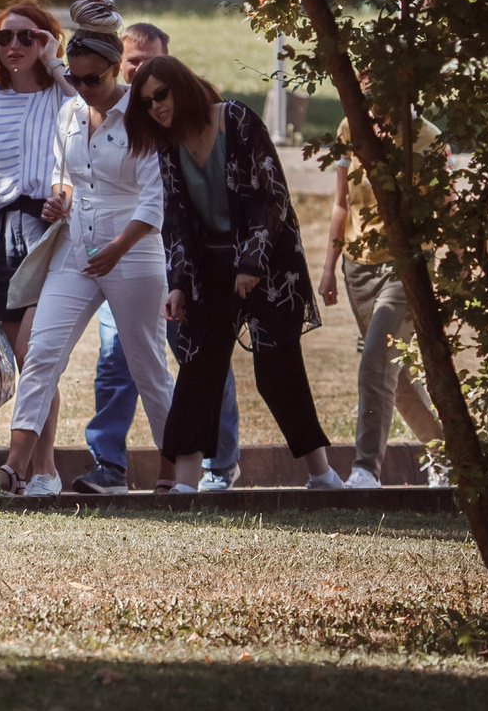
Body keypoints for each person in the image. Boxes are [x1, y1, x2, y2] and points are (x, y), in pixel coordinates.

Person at [129, 54, 343, 492]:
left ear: (182, 86)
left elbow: (272, 198)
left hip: (266, 265)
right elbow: (177, 220)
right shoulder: (168, 145)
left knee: (277, 373)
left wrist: (250, 264)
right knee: (197, 373)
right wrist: (178, 284)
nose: (157, 108)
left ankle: (324, 476)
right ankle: (186, 487)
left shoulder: (236, 120)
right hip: (208, 266)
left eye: (161, 95)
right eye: (147, 103)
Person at [0, 0, 178, 496]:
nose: (80, 88)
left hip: (133, 253)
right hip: (76, 251)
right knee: (40, 352)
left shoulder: (140, 118)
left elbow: (154, 201)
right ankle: (17, 466)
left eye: (91, 79)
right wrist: (60, 203)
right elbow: (66, 180)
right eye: (73, 79)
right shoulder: (71, 113)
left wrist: (118, 249)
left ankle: (172, 472)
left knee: (147, 365)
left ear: (116, 69)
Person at [72, 20, 242, 493]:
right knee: (115, 358)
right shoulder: (123, 116)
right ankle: (109, 465)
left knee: (203, 360)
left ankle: (217, 465)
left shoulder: (173, 118)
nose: (141, 71)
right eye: (134, 62)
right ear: (119, 65)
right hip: (124, 260)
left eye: (152, 64)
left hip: (178, 258)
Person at [0, 0, 66, 489]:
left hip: (51, 227)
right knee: (16, 356)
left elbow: (95, 109)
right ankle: (31, 468)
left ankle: (39, 469)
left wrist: (56, 63)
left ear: (46, 41)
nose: (17, 45)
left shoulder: (65, 94)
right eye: (7, 36)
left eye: (30, 36)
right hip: (6, 230)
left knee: (34, 352)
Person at [321, 89, 449, 487]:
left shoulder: (429, 139)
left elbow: (446, 205)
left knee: (374, 364)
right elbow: (342, 203)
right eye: (366, 94)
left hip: (406, 266)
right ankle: (448, 457)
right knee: (396, 376)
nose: (373, 102)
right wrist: (329, 267)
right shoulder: (351, 129)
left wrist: (459, 265)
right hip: (357, 269)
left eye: (381, 91)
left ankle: (364, 470)